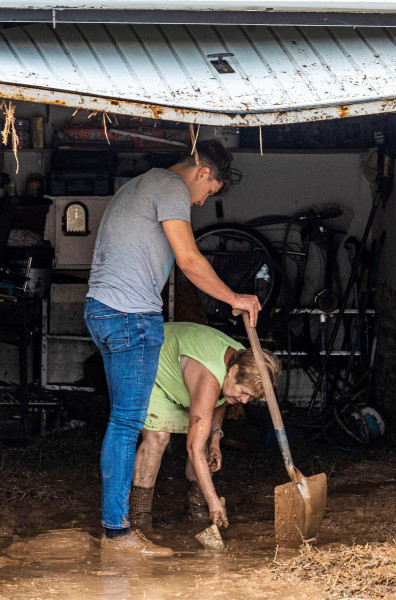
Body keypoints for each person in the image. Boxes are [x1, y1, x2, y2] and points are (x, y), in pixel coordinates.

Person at [84, 139, 262, 556]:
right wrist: (235, 298)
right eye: (209, 192)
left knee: (124, 422)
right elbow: (189, 259)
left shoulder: (140, 184)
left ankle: (119, 526)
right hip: (131, 314)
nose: (201, 202)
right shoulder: (170, 187)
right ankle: (117, 532)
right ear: (202, 173)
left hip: (103, 309)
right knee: (127, 424)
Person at [129, 322, 280, 533]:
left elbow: (220, 402)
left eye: (251, 397)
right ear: (232, 371)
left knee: (206, 439)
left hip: (183, 377)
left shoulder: (241, 362)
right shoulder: (210, 375)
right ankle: (139, 517)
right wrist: (214, 500)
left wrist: (216, 439)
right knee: (158, 437)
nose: (245, 401)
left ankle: (196, 509)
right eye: (244, 392)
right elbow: (194, 448)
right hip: (150, 364)